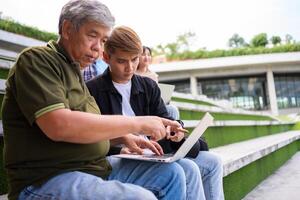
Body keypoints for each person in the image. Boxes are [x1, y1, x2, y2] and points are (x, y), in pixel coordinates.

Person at [2, 1, 201, 200]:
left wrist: (124, 138)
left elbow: (81, 130)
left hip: (95, 168)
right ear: (67, 29)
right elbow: (59, 125)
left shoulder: (75, 72)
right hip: (45, 179)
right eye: (92, 35)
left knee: (173, 174)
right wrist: (137, 123)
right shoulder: (37, 60)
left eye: (104, 40)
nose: (98, 48)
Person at [87, 26, 225, 200]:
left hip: (155, 154)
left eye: (134, 59)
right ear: (106, 58)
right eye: (122, 61)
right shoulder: (93, 90)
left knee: (213, 162)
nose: (130, 67)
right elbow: (92, 137)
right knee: (188, 169)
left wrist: (174, 133)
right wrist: (118, 149)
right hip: (120, 157)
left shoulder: (148, 86)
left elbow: (165, 120)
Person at [136, 46, 180, 120]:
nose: (146, 57)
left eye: (149, 55)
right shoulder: (133, 74)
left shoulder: (154, 75)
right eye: (143, 55)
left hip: (153, 105)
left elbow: (156, 94)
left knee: (172, 109)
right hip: (141, 106)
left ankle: (172, 129)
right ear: (137, 57)